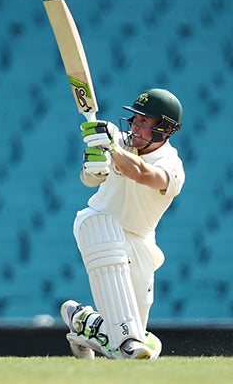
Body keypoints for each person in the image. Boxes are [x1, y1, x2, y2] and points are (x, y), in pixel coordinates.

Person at [60, 89, 185, 360]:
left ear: (165, 128)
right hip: (97, 223)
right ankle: (126, 340)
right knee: (128, 341)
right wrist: (94, 168)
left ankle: (82, 321)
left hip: (140, 243)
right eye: (135, 119)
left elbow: (142, 173)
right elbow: (89, 180)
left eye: (144, 121)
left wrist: (112, 148)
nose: (135, 126)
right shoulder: (117, 138)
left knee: (132, 334)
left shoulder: (172, 165)